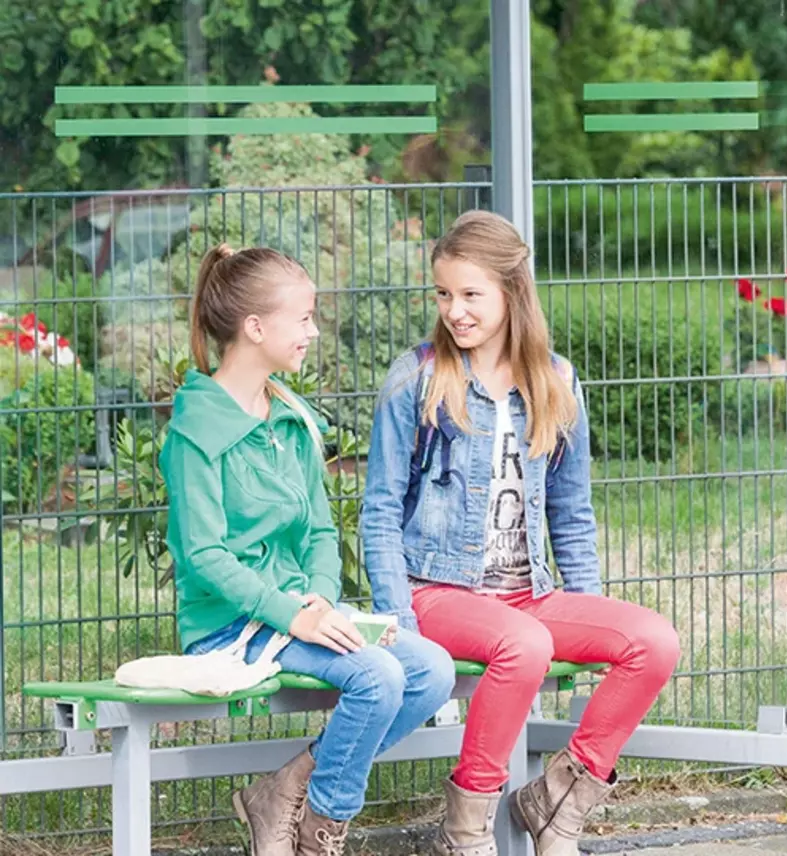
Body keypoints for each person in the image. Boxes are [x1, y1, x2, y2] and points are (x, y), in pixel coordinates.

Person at [360, 210, 682, 856]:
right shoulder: (420, 376)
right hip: (439, 590)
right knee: (526, 645)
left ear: (512, 292)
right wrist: (401, 619)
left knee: (654, 641)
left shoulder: (556, 382)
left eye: (471, 294)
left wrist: (586, 599)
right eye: (444, 294)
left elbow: (572, 509)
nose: (455, 310)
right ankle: (466, 828)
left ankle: (559, 805)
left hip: (527, 594)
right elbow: (379, 509)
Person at [165, 245, 457, 856]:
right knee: (377, 678)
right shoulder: (194, 434)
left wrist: (321, 597)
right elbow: (205, 557)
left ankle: (288, 788)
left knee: (431, 671)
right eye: (302, 318)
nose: (313, 331)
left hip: (300, 607)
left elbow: (321, 531)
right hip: (229, 624)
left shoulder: (292, 419)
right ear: (255, 328)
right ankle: (323, 831)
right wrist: (296, 613)